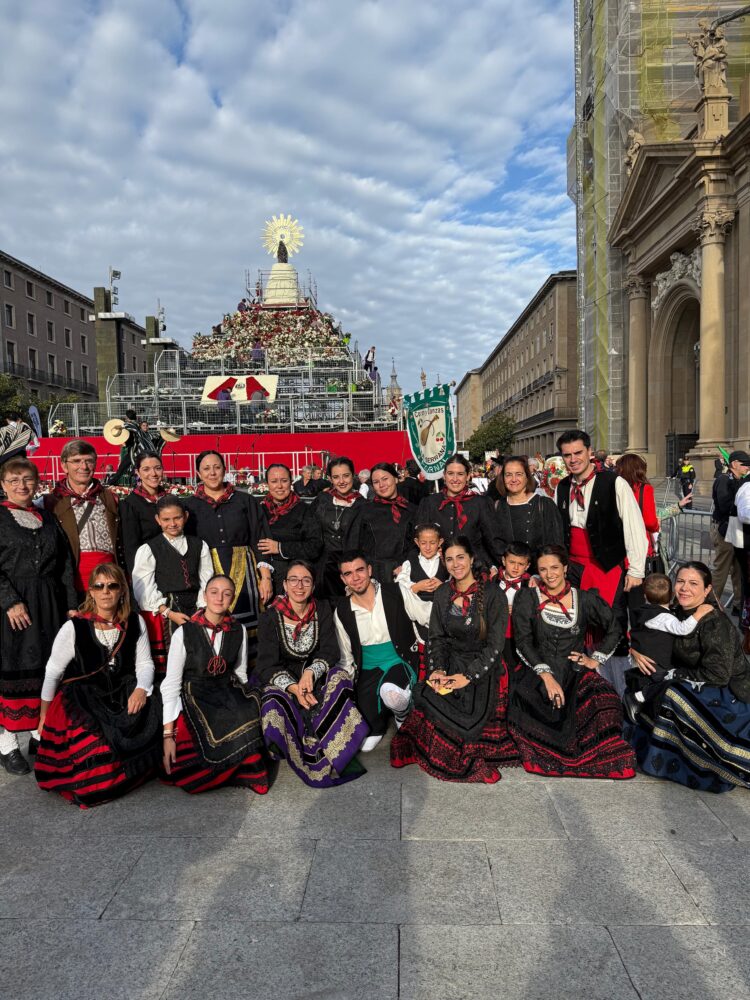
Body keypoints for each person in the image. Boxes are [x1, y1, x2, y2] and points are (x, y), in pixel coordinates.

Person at [392, 536, 519, 782]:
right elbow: (436, 638)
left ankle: (464, 751)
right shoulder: (442, 593)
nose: (455, 564)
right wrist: (438, 670)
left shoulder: (493, 594)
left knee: (470, 706)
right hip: (451, 661)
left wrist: (468, 676)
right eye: (449, 559)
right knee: (425, 692)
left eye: (460, 557)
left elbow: (495, 645)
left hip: (484, 665)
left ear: (471, 559)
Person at [35, 564, 160, 807]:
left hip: (122, 690)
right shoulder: (74, 627)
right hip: (84, 697)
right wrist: (43, 715)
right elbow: (52, 673)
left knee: (154, 710)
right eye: (99, 586)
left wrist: (141, 689)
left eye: (112, 586)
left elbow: (145, 664)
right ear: (90, 591)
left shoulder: (135, 621)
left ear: (122, 591)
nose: (106, 592)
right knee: (96, 754)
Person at [507, 545, 636, 779]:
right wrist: (546, 677)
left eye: (555, 567)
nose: (550, 574)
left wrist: (594, 659)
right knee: (528, 705)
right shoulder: (527, 597)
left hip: (574, 671)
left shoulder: (584, 599)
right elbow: (523, 642)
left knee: (604, 702)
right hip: (538, 671)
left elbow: (615, 627)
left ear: (565, 568)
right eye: (543, 569)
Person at [629, 562, 750, 791]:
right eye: (681, 581)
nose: (684, 588)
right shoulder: (673, 613)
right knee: (643, 681)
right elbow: (644, 633)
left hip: (729, 692)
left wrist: (672, 674)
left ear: (707, 590)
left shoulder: (714, 623)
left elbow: (718, 675)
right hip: (692, 681)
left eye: (693, 583)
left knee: (674, 693)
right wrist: (635, 651)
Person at [257, 561, 369, 786]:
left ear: (313, 586)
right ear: (285, 586)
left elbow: (330, 650)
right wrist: (295, 687)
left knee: (339, 678)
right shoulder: (270, 617)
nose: (300, 586)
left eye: (306, 580)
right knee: (272, 701)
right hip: (284, 678)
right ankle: (290, 743)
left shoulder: (322, 608)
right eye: (294, 580)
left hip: (315, 673)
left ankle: (337, 743)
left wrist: (310, 673)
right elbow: (266, 665)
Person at [554, 429, 648, 693]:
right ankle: (582, 689)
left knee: (612, 625)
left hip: (606, 566)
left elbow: (634, 525)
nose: (573, 460)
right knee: (575, 626)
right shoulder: (562, 487)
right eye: (567, 455)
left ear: (589, 452)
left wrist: (637, 569)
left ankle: (614, 691)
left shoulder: (614, 482)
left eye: (578, 453)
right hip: (574, 568)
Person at [0, 458, 78, 775]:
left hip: (50, 604)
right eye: (14, 479)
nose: (22, 485)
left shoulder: (46, 517)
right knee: (12, 669)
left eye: (28, 479)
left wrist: (71, 606)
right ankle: (6, 744)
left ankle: (38, 734)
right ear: (3, 484)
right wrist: (9, 601)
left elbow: (64, 565)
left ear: (37, 482)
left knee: (48, 668)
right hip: (11, 608)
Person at [160, 575, 270, 795]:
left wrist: (246, 701)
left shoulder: (238, 630)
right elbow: (171, 683)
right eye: (214, 592)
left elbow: (239, 673)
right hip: (194, 693)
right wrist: (167, 736)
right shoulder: (185, 632)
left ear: (232, 598)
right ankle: (216, 774)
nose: (219, 598)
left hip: (225, 688)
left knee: (247, 711)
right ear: (204, 595)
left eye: (226, 593)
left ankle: (242, 771)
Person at [186, 450, 270, 668]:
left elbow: (260, 538)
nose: (212, 473)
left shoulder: (245, 500)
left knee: (249, 624)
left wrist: (265, 576)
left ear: (224, 469)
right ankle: (216, 669)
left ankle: (251, 674)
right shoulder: (190, 507)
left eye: (217, 467)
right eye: (206, 468)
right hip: (208, 569)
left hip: (244, 569)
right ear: (198, 473)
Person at [334, 551, 424, 752]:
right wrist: (347, 684)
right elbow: (345, 653)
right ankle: (378, 727)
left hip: (398, 658)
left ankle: (402, 714)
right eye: (348, 573)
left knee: (391, 694)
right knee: (368, 733)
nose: (355, 577)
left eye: (360, 570)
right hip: (368, 666)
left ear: (369, 570)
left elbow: (425, 613)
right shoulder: (342, 610)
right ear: (343, 579)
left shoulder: (395, 592)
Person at [131, 496, 214, 673]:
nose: (172, 523)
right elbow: (143, 587)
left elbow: (206, 579)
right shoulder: (149, 549)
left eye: (177, 518)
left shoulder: (199, 545)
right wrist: (167, 612)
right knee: (173, 663)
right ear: (158, 520)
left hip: (197, 607)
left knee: (199, 658)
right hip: (166, 611)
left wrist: (202, 609)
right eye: (166, 519)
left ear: (185, 516)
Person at [623, 573, 713, 723]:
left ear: (645, 595)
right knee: (667, 681)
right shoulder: (664, 617)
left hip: (648, 661)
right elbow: (682, 628)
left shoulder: (644, 611)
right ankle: (636, 699)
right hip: (656, 663)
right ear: (672, 594)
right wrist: (699, 613)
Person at [43, 439, 120, 594]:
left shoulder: (111, 498)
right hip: (71, 582)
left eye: (89, 461)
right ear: (64, 465)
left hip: (109, 582)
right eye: (76, 461)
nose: (83, 467)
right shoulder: (50, 502)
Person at [417, 454, 503, 573]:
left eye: (460, 474)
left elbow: (493, 541)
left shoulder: (481, 503)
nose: (455, 479)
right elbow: (418, 539)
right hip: (437, 570)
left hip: (474, 569)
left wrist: (501, 565)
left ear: (468, 476)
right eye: (451, 473)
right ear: (444, 476)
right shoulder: (430, 503)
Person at [256, 463, 323, 596]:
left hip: (294, 582)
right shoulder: (259, 510)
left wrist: (281, 548)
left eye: (284, 481)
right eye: (274, 481)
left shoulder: (303, 510)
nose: (279, 486)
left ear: (291, 482)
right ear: (267, 484)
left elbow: (315, 546)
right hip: (262, 580)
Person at [395, 522, 447, 679]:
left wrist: (443, 587)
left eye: (432, 543)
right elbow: (400, 584)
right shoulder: (410, 562)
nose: (428, 547)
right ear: (417, 542)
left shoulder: (446, 561)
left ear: (440, 542)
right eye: (423, 543)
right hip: (417, 613)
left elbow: (457, 582)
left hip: (441, 612)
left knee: (440, 647)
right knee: (422, 651)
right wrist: (416, 586)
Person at [310, 456, 365, 597]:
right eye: (336, 477)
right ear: (330, 478)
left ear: (353, 475)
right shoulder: (323, 499)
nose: (341, 481)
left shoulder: (363, 505)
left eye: (346, 476)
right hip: (322, 565)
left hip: (350, 566)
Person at [493, 455, 564, 562]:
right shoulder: (497, 506)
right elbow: (495, 545)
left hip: (540, 573)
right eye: (508, 475)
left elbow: (556, 544)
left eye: (519, 474)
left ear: (527, 476)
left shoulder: (545, 505)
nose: (513, 479)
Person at [355, 462, 418, 583]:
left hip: (405, 574)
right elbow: (357, 545)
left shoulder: (412, 510)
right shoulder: (365, 511)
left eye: (385, 479)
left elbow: (417, 545)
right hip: (374, 575)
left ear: (395, 479)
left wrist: (408, 565)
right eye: (376, 482)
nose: (381, 485)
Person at [711, 450, 749, 613]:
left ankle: (738, 604)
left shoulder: (739, 480)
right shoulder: (724, 480)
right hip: (725, 527)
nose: (748, 467)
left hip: (734, 527)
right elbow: (725, 505)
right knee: (722, 567)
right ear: (734, 464)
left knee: (738, 568)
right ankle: (711, 604)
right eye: (745, 464)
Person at [118, 453, 168, 574]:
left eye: (157, 468)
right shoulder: (130, 504)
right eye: (146, 469)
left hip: (173, 567)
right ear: (138, 473)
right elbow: (131, 548)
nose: (153, 474)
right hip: (148, 570)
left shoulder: (169, 500)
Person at [615, 453, 660, 575]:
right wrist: (657, 525)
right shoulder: (644, 489)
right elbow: (650, 522)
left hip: (617, 544)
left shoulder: (614, 487)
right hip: (638, 544)